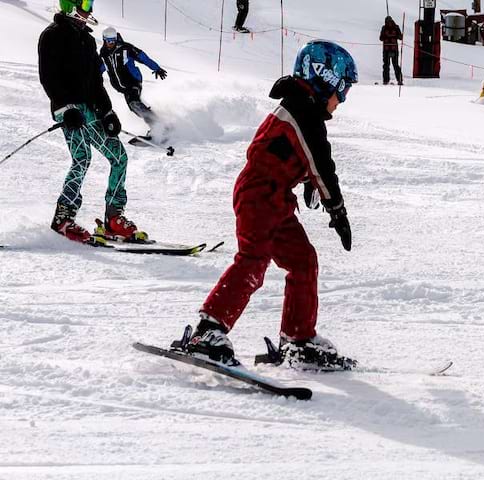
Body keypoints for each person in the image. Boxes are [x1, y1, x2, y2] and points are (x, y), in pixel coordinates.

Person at [181, 40, 358, 370]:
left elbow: (297, 156)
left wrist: (306, 182)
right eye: (343, 89)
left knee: (303, 260)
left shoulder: (300, 109)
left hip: (276, 199)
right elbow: (321, 162)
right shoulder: (301, 111)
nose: (342, 99)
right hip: (259, 195)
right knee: (254, 260)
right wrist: (337, 209)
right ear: (326, 79)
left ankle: (297, 339)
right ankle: (207, 331)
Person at [38, 0, 144, 243]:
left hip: (90, 108)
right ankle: (63, 216)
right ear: (70, 5)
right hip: (69, 109)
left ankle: (114, 217)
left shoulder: (87, 40)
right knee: (82, 158)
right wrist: (66, 108)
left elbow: (96, 82)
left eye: (91, 3)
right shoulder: (52, 36)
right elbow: (48, 77)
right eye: (85, 3)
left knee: (119, 157)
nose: (90, 9)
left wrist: (107, 112)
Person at [99, 26, 167, 134]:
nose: (111, 43)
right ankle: (160, 125)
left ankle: (158, 127)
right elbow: (98, 70)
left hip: (133, 82)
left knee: (134, 103)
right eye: (108, 41)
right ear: (104, 40)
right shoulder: (104, 55)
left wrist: (156, 68)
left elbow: (143, 57)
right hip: (124, 89)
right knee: (134, 107)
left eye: (113, 41)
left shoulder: (126, 49)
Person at [379, 15, 403, 85]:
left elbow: (400, 37)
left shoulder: (396, 27)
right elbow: (381, 38)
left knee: (394, 65)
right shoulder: (384, 28)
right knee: (387, 65)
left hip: (393, 49)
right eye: (387, 22)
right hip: (387, 50)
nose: (388, 23)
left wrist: (396, 36)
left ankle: (398, 80)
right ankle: (387, 80)